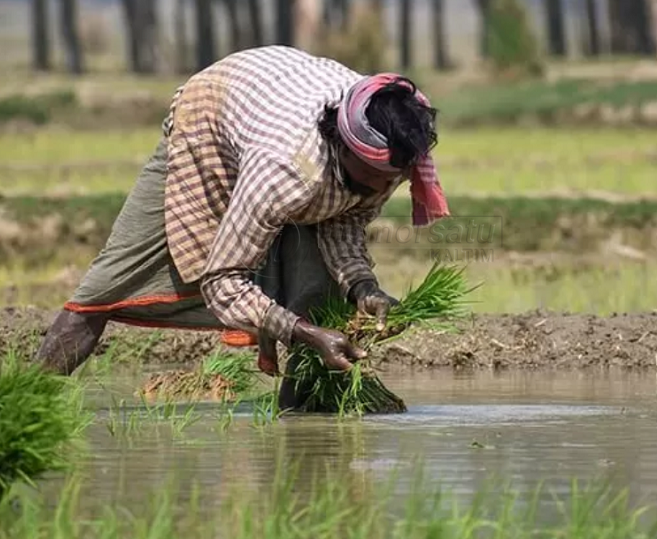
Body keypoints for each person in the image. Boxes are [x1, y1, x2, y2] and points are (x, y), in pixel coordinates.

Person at [33, 45, 449, 400]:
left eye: (394, 178)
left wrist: (363, 287)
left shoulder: (385, 153)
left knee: (322, 294)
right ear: (344, 148)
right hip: (211, 118)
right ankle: (22, 401)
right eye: (378, 176)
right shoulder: (284, 169)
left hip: (272, 100)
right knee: (106, 286)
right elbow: (223, 280)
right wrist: (305, 333)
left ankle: (304, 421)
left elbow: (344, 218)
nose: (385, 186)